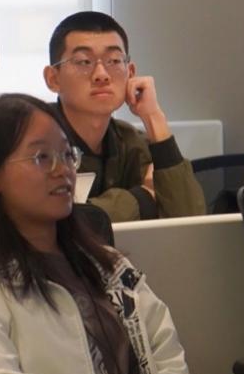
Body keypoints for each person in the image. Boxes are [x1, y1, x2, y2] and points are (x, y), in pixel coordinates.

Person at [0, 93, 219, 374]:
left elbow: (168, 363)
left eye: (67, 155)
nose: (63, 170)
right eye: (42, 157)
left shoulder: (105, 264)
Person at [42, 12, 204, 222]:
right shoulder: (32, 140)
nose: (101, 74)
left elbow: (190, 219)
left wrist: (154, 117)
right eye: (84, 62)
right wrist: (141, 198)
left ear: (131, 72)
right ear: (53, 79)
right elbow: (55, 223)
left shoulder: (131, 142)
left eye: (114, 61)